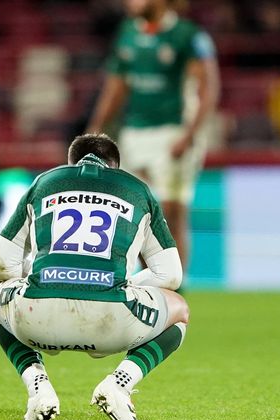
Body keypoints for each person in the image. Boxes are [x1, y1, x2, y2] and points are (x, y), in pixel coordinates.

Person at [0, 134, 188, 420]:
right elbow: (170, 275)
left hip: (37, 319)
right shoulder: (137, 190)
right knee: (180, 309)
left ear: (71, 163)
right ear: (116, 167)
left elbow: (1, 266)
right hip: (113, 322)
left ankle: (38, 387)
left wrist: (44, 275)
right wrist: (124, 282)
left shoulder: (44, 183)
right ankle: (119, 384)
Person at [87, 0, 219, 272]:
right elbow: (116, 87)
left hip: (173, 132)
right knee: (131, 216)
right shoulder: (127, 33)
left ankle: (174, 290)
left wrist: (191, 133)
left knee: (170, 216)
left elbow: (209, 86)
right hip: (133, 134)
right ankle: (145, 288)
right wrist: (95, 129)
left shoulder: (188, 35)